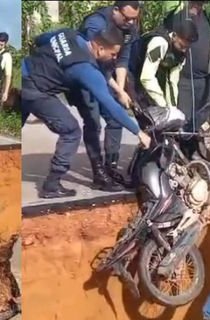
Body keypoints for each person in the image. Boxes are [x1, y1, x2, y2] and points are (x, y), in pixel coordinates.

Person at [22, 27, 151, 199]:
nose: (114, 59)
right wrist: (138, 132)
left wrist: (120, 91)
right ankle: (51, 185)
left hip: (24, 73)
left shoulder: (70, 34)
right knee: (71, 131)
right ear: (100, 49)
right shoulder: (84, 68)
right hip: (36, 91)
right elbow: (110, 105)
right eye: (113, 54)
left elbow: (40, 39)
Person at [68, 0, 140, 191]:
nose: (131, 23)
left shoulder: (129, 27)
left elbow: (122, 61)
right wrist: (116, 91)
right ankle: (99, 173)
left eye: (134, 19)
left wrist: (121, 91)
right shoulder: (96, 24)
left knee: (115, 118)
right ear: (115, 10)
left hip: (107, 73)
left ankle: (111, 166)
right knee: (93, 122)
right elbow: (97, 65)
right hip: (84, 73)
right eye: (127, 18)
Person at [163, 1, 210, 158]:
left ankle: (191, 154)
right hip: (184, 79)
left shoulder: (206, 14)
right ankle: (181, 157)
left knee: (200, 120)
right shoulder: (178, 13)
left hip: (203, 79)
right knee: (184, 121)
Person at [129, 20, 198, 110]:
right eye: (181, 46)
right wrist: (162, 104)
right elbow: (146, 77)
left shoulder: (181, 54)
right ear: (174, 36)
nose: (184, 50)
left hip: (146, 76)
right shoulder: (159, 43)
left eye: (187, 47)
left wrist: (172, 109)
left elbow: (172, 81)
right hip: (131, 71)